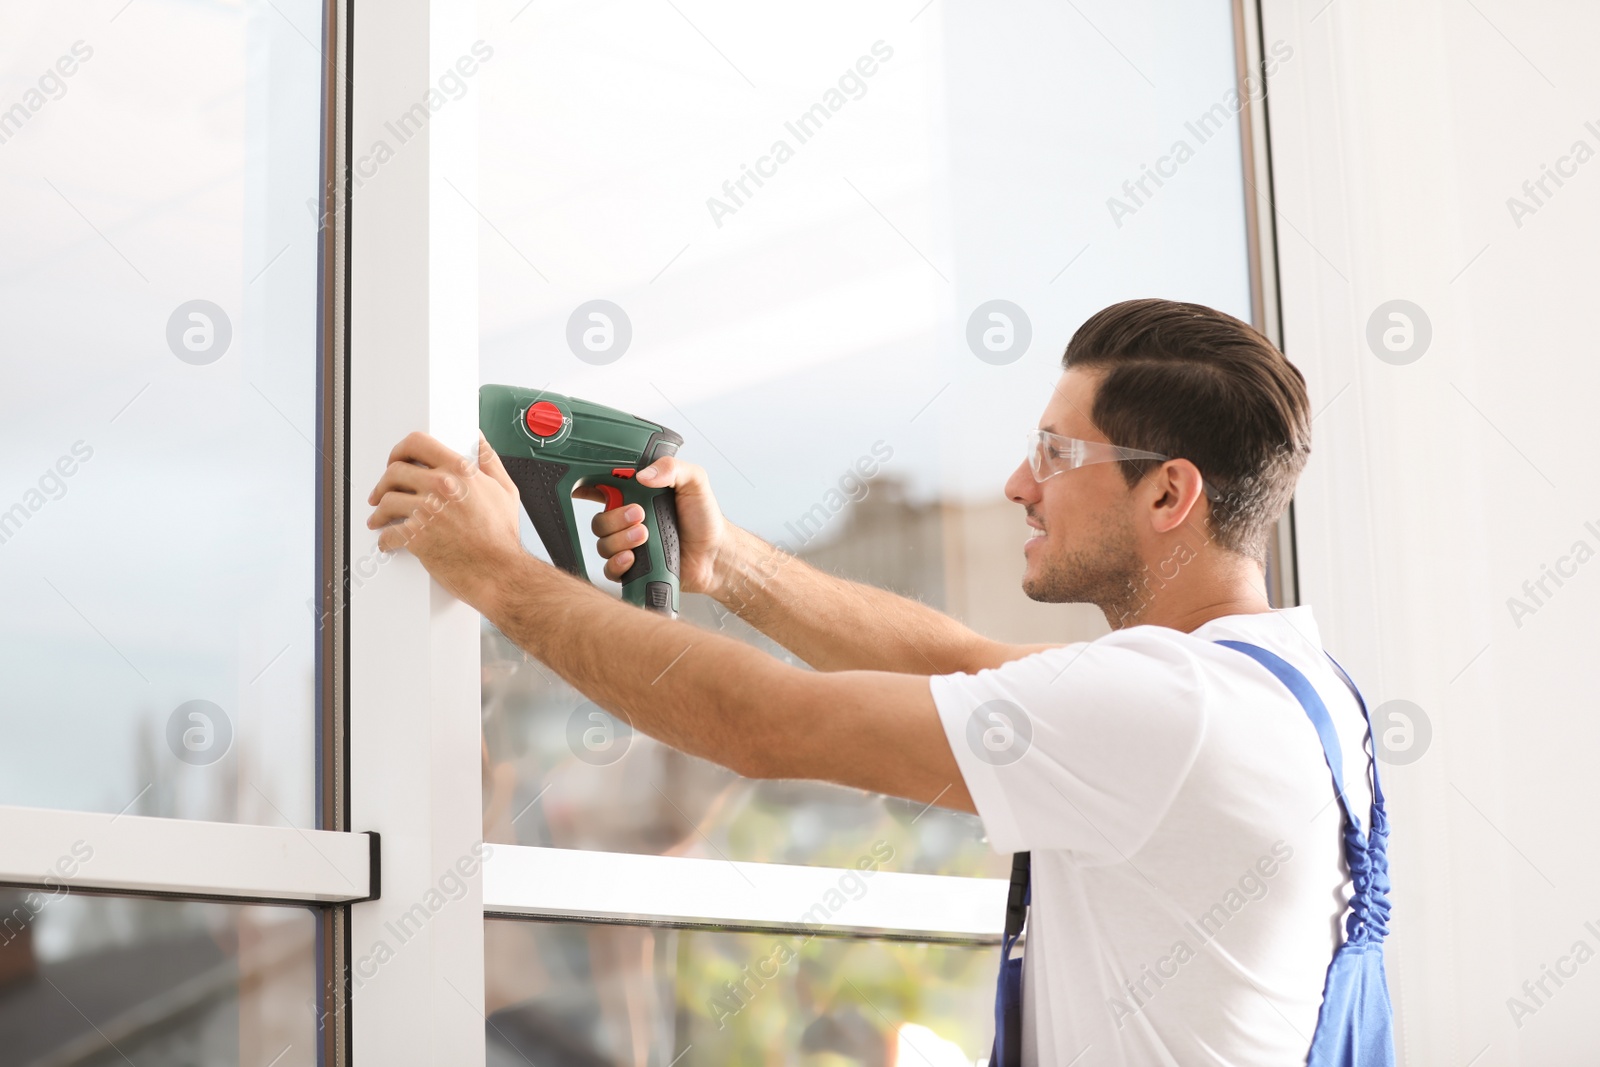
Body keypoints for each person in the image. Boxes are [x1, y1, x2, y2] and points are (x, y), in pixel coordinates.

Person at [366, 298, 1390, 1065]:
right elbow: (957, 663)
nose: (1017, 483)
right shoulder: (1280, 687)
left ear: (1169, 490)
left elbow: (757, 722)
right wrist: (728, 565)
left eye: (1053, 450)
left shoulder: (1170, 710)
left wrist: (495, 570)